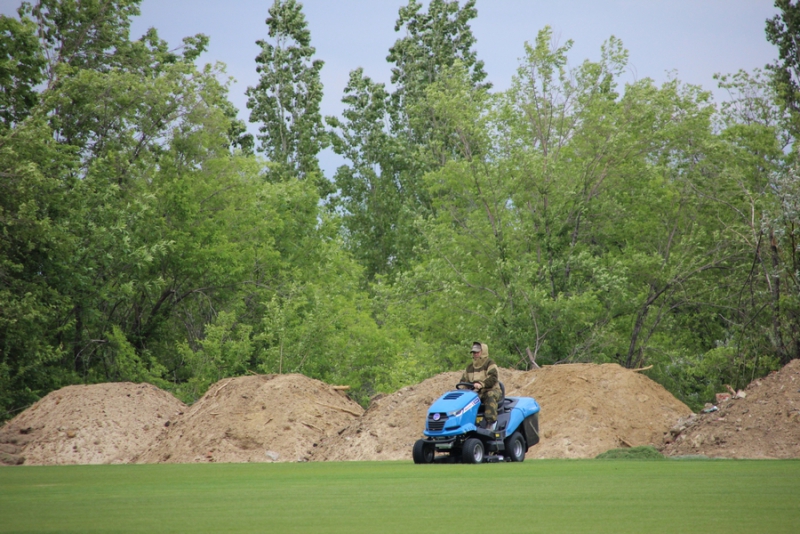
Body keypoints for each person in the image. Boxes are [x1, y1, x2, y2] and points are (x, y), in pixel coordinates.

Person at [460, 341, 501, 431]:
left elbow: (493, 378)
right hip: (476, 393)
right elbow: (463, 381)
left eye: (477, 352)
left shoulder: (490, 363)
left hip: (491, 390)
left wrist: (481, 384)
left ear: (483, 352)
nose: (475, 354)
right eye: (473, 352)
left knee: (490, 395)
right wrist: (462, 390)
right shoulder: (469, 367)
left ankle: (491, 423)